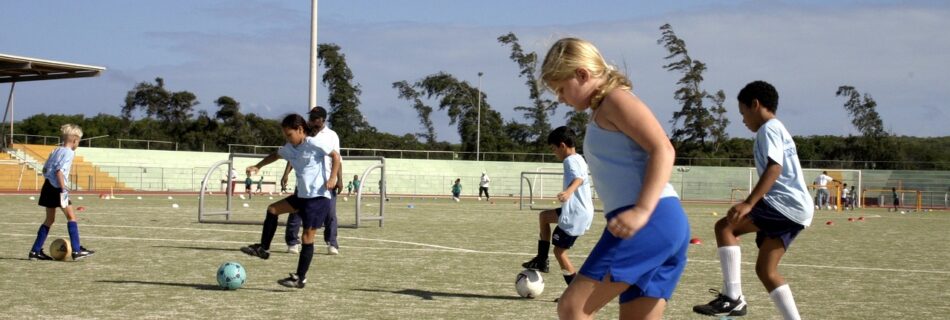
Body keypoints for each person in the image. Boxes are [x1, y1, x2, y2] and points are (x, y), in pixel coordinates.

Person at [541, 37, 690, 320]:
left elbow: (663, 148)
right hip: (662, 224)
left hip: (649, 220)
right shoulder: (603, 108)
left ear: (582, 74)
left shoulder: (615, 100)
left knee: (572, 308)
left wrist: (642, 211)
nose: (560, 98)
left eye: (561, 88)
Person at [692, 81, 813, 319]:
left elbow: (774, 168)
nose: (743, 119)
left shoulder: (768, 129)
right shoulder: (778, 129)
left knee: (726, 226)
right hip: (799, 210)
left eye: (743, 112)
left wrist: (749, 203)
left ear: (755, 105)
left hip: (785, 204)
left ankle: (732, 298)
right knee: (766, 271)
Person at [240, 113, 340, 289]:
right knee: (272, 209)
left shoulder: (314, 143)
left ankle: (300, 278)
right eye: (285, 135)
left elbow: (336, 156)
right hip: (301, 196)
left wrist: (333, 178)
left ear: (300, 130)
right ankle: (263, 248)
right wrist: (258, 166)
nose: (287, 138)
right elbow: (275, 155)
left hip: (318, 198)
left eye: (289, 134)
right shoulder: (290, 147)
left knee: (307, 238)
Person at [522, 126, 594, 288]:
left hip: (576, 214)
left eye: (554, 149)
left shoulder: (569, 161)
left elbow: (579, 179)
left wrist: (568, 192)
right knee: (544, 216)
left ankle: (574, 292)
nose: (554, 153)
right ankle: (541, 259)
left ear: (562, 145)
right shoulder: (579, 158)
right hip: (579, 211)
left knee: (559, 252)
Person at [28, 124, 95, 261]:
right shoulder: (69, 153)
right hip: (57, 188)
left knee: (49, 219)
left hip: (47, 186)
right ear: (75, 140)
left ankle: (35, 251)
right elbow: (59, 171)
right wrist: (63, 188)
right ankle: (76, 250)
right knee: (71, 217)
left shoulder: (55, 150)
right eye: (79, 142)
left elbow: (45, 170)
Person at [283, 107, 343, 255]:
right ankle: (292, 242)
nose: (312, 121)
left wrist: (337, 179)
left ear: (323, 119)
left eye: (316, 118)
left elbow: (337, 158)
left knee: (329, 214)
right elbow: (294, 154)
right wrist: (286, 174)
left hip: (325, 182)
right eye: (311, 118)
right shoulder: (304, 132)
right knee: (296, 212)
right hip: (304, 181)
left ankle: (331, 243)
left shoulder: (331, 135)